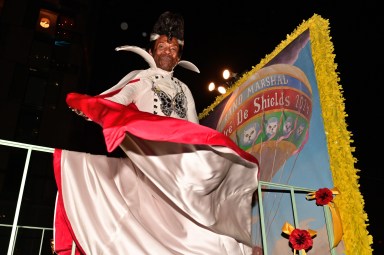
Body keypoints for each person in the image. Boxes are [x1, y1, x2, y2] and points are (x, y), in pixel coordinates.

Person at [53, 11, 260, 255]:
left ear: (178, 56)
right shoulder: (141, 79)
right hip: (151, 161)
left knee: (201, 211)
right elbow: (117, 101)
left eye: (173, 49)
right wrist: (92, 109)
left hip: (181, 163)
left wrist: (214, 153)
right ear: (151, 51)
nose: (167, 52)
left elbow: (196, 130)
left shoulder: (185, 89)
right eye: (162, 46)